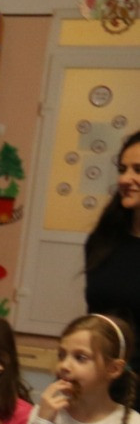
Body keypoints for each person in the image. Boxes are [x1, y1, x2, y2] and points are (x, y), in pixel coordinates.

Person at [85, 130, 140, 341]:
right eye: (122, 169)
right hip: (104, 359)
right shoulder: (103, 240)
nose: (125, 179)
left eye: (138, 170)